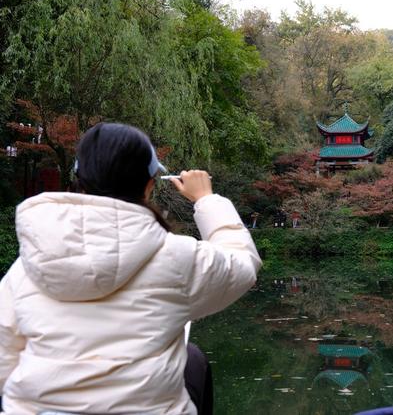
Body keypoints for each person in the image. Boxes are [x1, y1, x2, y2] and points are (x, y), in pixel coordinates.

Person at [0, 122, 262, 414]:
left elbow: (4, 359)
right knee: (192, 361)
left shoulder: (28, 267)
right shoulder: (176, 258)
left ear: (80, 180)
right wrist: (206, 199)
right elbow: (243, 264)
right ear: (150, 183)